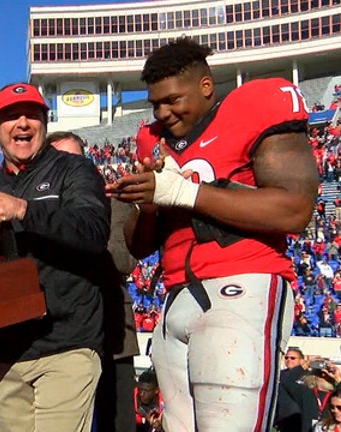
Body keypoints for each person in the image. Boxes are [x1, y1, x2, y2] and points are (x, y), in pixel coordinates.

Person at [105, 37, 318, 431]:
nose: (162, 113)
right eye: (155, 103)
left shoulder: (253, 107)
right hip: (175, 297)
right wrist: (151, 198)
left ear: (206, 87)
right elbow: (139, 244)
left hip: (240, 285)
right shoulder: (153, 141)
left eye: (172, 100)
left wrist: (186, 192)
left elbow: (294, 209)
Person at [0, 83, 110, 431]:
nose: (21, 123)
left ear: (44, 124)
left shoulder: (74, 170)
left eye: (31, 115)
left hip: (67, 344)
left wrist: (24, 209)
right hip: (8, 352)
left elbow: (94, 231)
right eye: (9, 117)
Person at [48, 130, 141, 432]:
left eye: (73, 159)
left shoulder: (113, 203)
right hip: (56, 334)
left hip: (111, 333)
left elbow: (122, 260)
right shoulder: (39, 207)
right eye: (59, 161)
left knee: (117, 421)